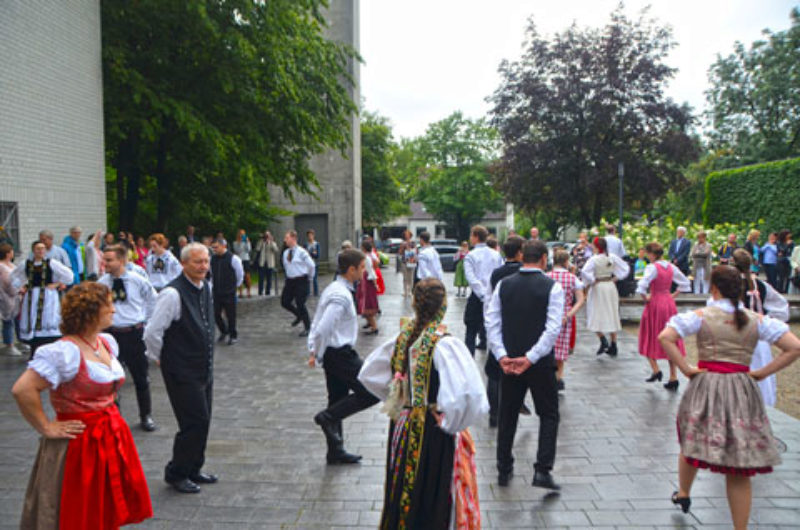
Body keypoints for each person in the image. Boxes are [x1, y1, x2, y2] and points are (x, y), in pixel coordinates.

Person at [659, 266, 800, 529]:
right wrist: (760, 373)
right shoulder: (756, 319)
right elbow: (794, 347)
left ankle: (684, 492)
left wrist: (686, 368)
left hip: (706, 385)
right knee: (738, 463)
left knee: (691, 441)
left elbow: (666, 337)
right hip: (741, 388)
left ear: (714, 288)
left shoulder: (701, 316)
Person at [12, 282, 152, 528]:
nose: (114, 310)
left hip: (110, 432)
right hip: (79, 442)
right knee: (77, 506)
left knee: (105, 502)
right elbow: (23, 389)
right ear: (91, 311)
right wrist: (46, 426)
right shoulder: (64, 352)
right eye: (108, 305)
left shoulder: (106, 342)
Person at [359, 278, 488, 528]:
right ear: (443, 306)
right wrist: (450, 422)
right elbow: (470, 396)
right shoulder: (444, 344)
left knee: (404, 488)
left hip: (404, 427)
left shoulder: (403, 336)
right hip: (431, 431)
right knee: (431, 491)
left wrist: (400, 401)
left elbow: (369, 374)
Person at [485, 240, 564, 489]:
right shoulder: (552, 287)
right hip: (538, 363)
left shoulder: (504, 285)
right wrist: (532, 356)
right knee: (549, 414)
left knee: (508, 414)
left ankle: (503, 466)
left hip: (509, 360)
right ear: (543, 258)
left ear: (522, 257)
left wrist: (501, 354)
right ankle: (542, 469)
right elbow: (552, 329)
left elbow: (492, 322)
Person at [144, 243, 218, 494]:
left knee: (204, 419)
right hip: (181, 370)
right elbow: (153, 331)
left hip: (203, 367)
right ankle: (176, 473)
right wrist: (159, 357)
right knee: (194, 421)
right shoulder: (172, 294)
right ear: (184, 264)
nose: (203, 267)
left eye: (206, 261)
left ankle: (194, 467)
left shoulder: (206, 286)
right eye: (197, 262)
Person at [308, 249, 379, 464]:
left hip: (335, 352)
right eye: (362, 267)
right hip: (339, 353)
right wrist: (316, 352)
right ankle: (327, 418)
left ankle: (335, 450)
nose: (364, 271)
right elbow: (323, 327)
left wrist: (318, 351)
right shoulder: (339, 294)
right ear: (351, 269)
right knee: (372, 389)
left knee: (337, 398)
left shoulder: (338, 289)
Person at [98, 245, 159, 431]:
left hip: (133, 333)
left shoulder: (137, 280)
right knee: (111, 378)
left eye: (109, 260)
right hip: (111, 333)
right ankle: (115, 416)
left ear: (121, 261)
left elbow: (152, 300)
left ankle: (146, 415)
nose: (105, 263)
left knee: (141, 376)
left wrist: (146, 323)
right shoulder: (102, 283)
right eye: (104, 259)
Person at [732, 249, 789, 406]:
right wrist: (766, 321)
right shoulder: (761, 285)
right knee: (760, 376)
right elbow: (782, 308)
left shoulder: (729, 284)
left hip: (735, 337)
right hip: (758, 337)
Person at [484, 235, 528, 427]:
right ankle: (515, 406)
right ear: (520, 252)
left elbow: (488, 300)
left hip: (499, 326)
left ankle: (494, 413)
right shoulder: (525, 273)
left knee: (493, 372)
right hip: (519, 327)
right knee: (518, 371)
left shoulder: (496, 274)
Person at [636, 242, 691, 390]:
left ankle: (656, 369)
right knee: (670, 338)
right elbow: (685, 283)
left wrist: (645, 297)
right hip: (668, 302)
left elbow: (642, 285)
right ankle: (673, 376)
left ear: (651, 254)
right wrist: (672, 295)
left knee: (650, 333)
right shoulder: (671, 267)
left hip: (655, 303)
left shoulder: (652, 268)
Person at [13, 241, 74, 356]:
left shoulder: (51, 263)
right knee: (32, 317)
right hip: (31, 295)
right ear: (33, 250)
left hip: (47, 294)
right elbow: (14, 277)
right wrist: (21, 287)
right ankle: (35, 347)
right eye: (38, 249)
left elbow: (69, 275)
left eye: (43, 248)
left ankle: (49, 345)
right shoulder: (26, 264)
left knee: (47, 317)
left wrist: (56, 284)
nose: (40, 251)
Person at [581, 237, 630, 356]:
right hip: (609, 286)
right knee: (611, 312)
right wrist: (616, 278)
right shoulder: (612, 257)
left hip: (598, 287)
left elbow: (584, 272)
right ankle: (613, 343)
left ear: (597, 247)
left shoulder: (594, 259)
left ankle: (603, 339)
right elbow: (626, 268)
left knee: (594, 312)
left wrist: (592, 280)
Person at [547, 249, 586, 391]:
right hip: (566, 314)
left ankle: (550, 376)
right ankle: (559, 376)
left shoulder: (547, 276)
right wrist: (569, 314)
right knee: (561, 347)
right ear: (565, 262)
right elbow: (581, 300)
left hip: (549, 313)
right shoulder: (572, 278)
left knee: (549, 344)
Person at [463, 225, 504, 356]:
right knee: (493, 329)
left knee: (471, 330)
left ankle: (469, 358)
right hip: (493, 295)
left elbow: (471, 278)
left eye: (471, 236)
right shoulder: (496, 255)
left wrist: (482, 294)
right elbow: (500, 273)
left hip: (477, 296)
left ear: (475, 237)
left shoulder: (470, 256)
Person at [281, 230, 315, 337]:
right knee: (285, 302)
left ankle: (308, 327)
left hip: (301, 280)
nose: (285, 240)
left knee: (300, 303)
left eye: (287, 238)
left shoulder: (302, 252)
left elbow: (311, 265)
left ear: (293, 238)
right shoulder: (286, 253)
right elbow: (286, 266)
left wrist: (310, 277)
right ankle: (298, 315)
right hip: (290, 280)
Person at [210, 239, 244, 345]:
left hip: (229, 291)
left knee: (231, 315)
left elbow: (239, 274)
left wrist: (235, 286)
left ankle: (233, 335)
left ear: (223, 246)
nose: (214, 250)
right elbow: (211, 274)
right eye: (213, 247)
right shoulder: (212, 259)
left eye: (216, 247)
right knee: (215, 313)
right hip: (216, 291)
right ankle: (224, 330)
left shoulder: (233, 259)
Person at [0, 243, 22, 356]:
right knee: (8, 321)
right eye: (11, 251)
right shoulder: (2, 267)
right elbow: (7, 282)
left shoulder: (11, 265)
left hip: (16, 296)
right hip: (6, 297)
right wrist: (17, 289)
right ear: (8, 253)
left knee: (18, 319)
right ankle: (9, 344)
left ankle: (21, 340)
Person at [356, 240, 380, 335]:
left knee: (367, 305)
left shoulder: (366, 258)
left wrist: (375, 284)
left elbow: (371, 272)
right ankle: (371, 324)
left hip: (366, 282)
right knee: (365, 304)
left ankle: (374, 327)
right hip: (365, 280)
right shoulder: (368, 256)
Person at [254, 231, 279, 296]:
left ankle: (267, 291)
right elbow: (257, 249)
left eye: (267, 235)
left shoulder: (272, 243)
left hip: (270, 263)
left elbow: (276, 250)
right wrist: (261, 241)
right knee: (261, 278)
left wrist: (270, 242)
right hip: (262, 263)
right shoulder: (261, 242)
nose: (266, 237)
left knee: (269, 278)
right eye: (265, 235)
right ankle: (260, 292)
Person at [232, 229, 252, 298]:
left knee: (247, 276)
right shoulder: (235, 242)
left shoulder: (246, 242)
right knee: (240, 275)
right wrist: (240, 242)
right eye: (240, 234)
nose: (242, 235)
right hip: (239, 260)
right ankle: (240, 292)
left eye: (243, 234)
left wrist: (247, 242)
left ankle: (248, 291)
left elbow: (249, 250)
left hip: (246, 259)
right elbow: (237, 250)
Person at [398, 230, 416, 298]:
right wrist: (402, 247)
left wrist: (410, 247)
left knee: (411, 277)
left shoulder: (413, 242)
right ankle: (405, 291)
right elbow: (399, 252)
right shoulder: (402, 243)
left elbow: (415, 251)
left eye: (408, 234)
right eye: (405, 234)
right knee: (405, 277)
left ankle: (410, 291)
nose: (407, 235)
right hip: (404, 262)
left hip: (411, 261)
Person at [776, 229, 794, 294]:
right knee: (781, 276)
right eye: (788, 234)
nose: (790, 235)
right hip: (781, 261)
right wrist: (787, 245)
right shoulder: (779, 243)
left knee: (788, 276)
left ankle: (786, 290)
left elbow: (791, 251)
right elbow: (781, 251)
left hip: (788, 260)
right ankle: (780, 290)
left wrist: (784, 251)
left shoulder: (792, 242)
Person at [306, 229, 321, 297]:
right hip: (307, 264)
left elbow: (317, 255)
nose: (310, 237)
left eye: (311, 235)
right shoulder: (306, 244)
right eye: (309, 235)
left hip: (315, 263)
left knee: (314, 279)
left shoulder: (317, 244)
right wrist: (313, 253)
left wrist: (310, 253)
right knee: (307, 279)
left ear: (313, 236)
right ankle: (308, 292)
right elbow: (304, 255)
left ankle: (316, 292)